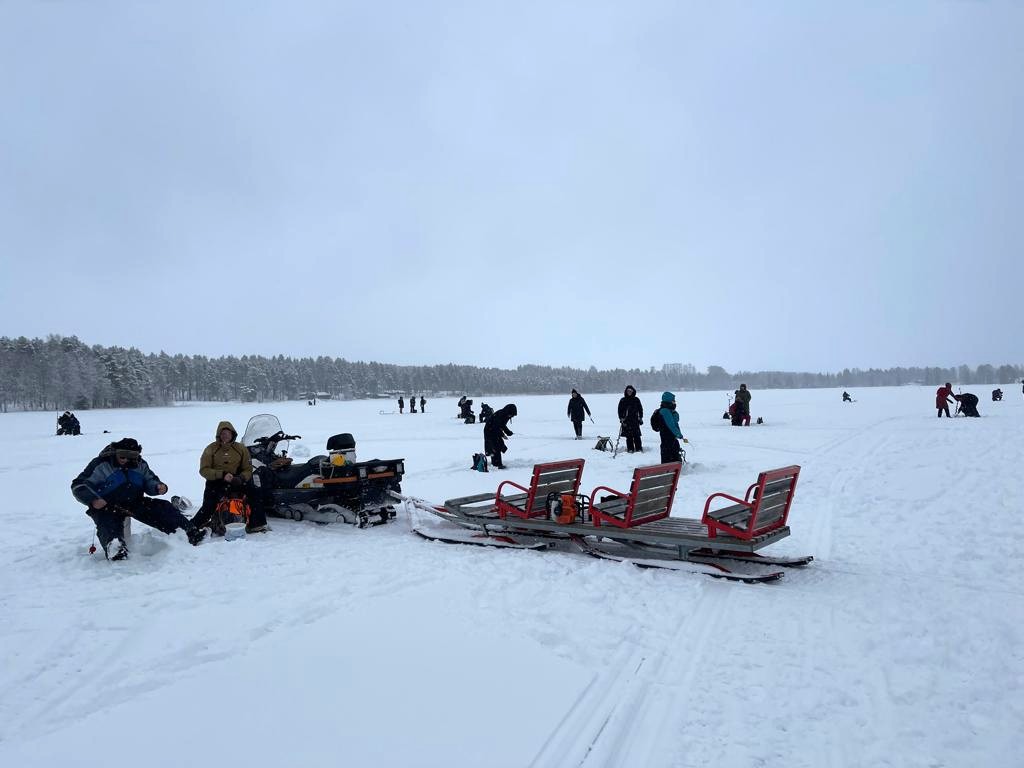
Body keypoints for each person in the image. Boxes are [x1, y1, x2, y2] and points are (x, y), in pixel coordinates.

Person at [71, 438, 205, 560]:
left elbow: (149, 480)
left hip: (134, 502)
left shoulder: (140, 464)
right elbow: (79, 485)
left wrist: (158, 487)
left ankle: (188, 531)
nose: (126, 461)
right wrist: (93, 500)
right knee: (108, 524)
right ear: (116, 453)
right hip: (107, 506)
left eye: (131, 458)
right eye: (122, 457)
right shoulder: (101, 464)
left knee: (163, 508)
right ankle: (115, 548)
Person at [192, 421, 269, 535]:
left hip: (237, 479)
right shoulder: (211, 449)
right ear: (219, 435)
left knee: (255, 493)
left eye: (228, 433)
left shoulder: (241, 448)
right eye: (223, 433)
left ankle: (256, 524)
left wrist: (242, 478)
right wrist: (222, 475)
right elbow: (204, 470)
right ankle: (193, 526)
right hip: (216, 481)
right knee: (209, 504)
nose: (225, 435)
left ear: (233, 434)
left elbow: (248, 469)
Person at [650, 392, 685, 464]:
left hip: (670, 436)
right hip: (667, 435)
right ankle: (669, 467)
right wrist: (679, 435)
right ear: (669, 400)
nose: (674, 402)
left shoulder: (669, 410)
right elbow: (671, 425)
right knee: (669, 451)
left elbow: (675, 422)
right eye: (673, 400)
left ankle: (674, 466)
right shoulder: (665, 411)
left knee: (673, 449)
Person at [483, 404, 517, 469]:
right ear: (508, 412)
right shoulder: (501, 415)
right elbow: (496, 427)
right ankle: (497, 464)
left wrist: (508, 432)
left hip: (494, 430)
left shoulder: (506, 415)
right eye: (511, 415)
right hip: (489, 430)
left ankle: (495, 462)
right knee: (495, 447)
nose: (511, 416)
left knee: (497, 445)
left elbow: (502, 425)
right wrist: (503, 435)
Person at [617, 385, 644, 453]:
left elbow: (640, 409)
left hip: (635, 420)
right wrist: (621, 418)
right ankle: (630, 449)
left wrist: (640, 417)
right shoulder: (623, 400)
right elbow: (619, 410)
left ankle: (639, 449)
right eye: (628, 391)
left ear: (633, 391)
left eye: (630, 391)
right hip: (626, 421)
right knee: (629, 437)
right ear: (626, 391)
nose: (629, 392)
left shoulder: (636, 399)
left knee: (637, 436)